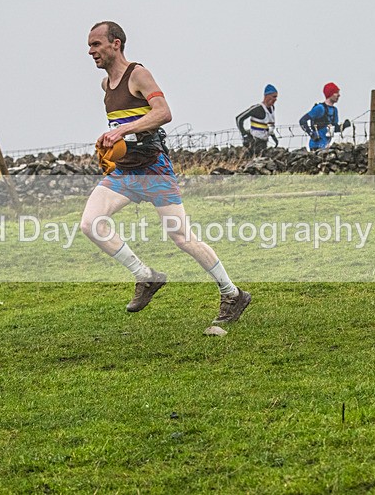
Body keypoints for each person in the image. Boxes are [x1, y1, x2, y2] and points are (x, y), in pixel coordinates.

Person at [82, 21, 251, 325]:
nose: (91, 51)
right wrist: (109, 143)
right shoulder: (105, 85)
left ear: (116, 43)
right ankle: (146, 276)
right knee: (90, 224)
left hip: (154, 169)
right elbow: (122, 128)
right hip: (125, 172)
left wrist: (124, 130)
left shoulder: (138, 74)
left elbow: (163, 113)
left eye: (96, 44)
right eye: (90, 45)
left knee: (183, 238)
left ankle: (233, 294)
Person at [299, 82, 351, 150]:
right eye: (336, 92)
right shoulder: (320, 108)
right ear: (330, 94)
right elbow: (302, 121)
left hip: (326, 145)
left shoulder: (334, 110)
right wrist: (311, 134)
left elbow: (334, 128)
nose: (339, 95)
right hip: (316, 146)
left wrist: (343, 126)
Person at [236, 84, 279, 153]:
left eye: (276, 97)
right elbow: (239, 118)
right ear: (266, 96)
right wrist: (244, 134)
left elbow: (270, 123)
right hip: (254, 142)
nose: (275, 99)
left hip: (264, 142)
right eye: (274, 97)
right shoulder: (257, 109)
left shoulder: (272, 108)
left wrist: (273, 136)